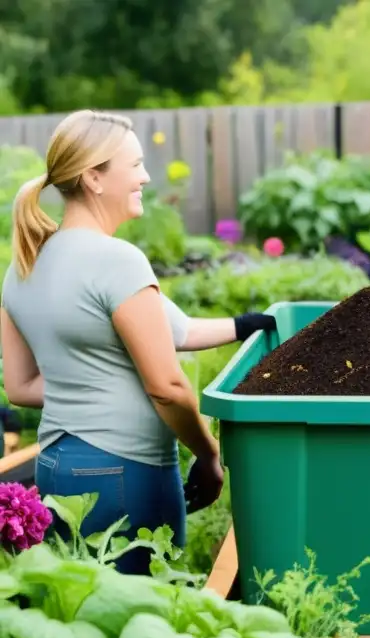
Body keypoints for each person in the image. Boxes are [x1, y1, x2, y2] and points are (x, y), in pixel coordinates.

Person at [0, 109, 267, 574]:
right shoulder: (117, 261)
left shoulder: (24, 263)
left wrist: (247, 325)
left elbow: (20, 387)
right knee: (145, 618)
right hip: (123, 471)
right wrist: (208, 454)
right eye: (136, 165)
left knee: (80, 616)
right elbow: (166, 384)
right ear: (94, 178)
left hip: (56, 467)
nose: (145, 177)